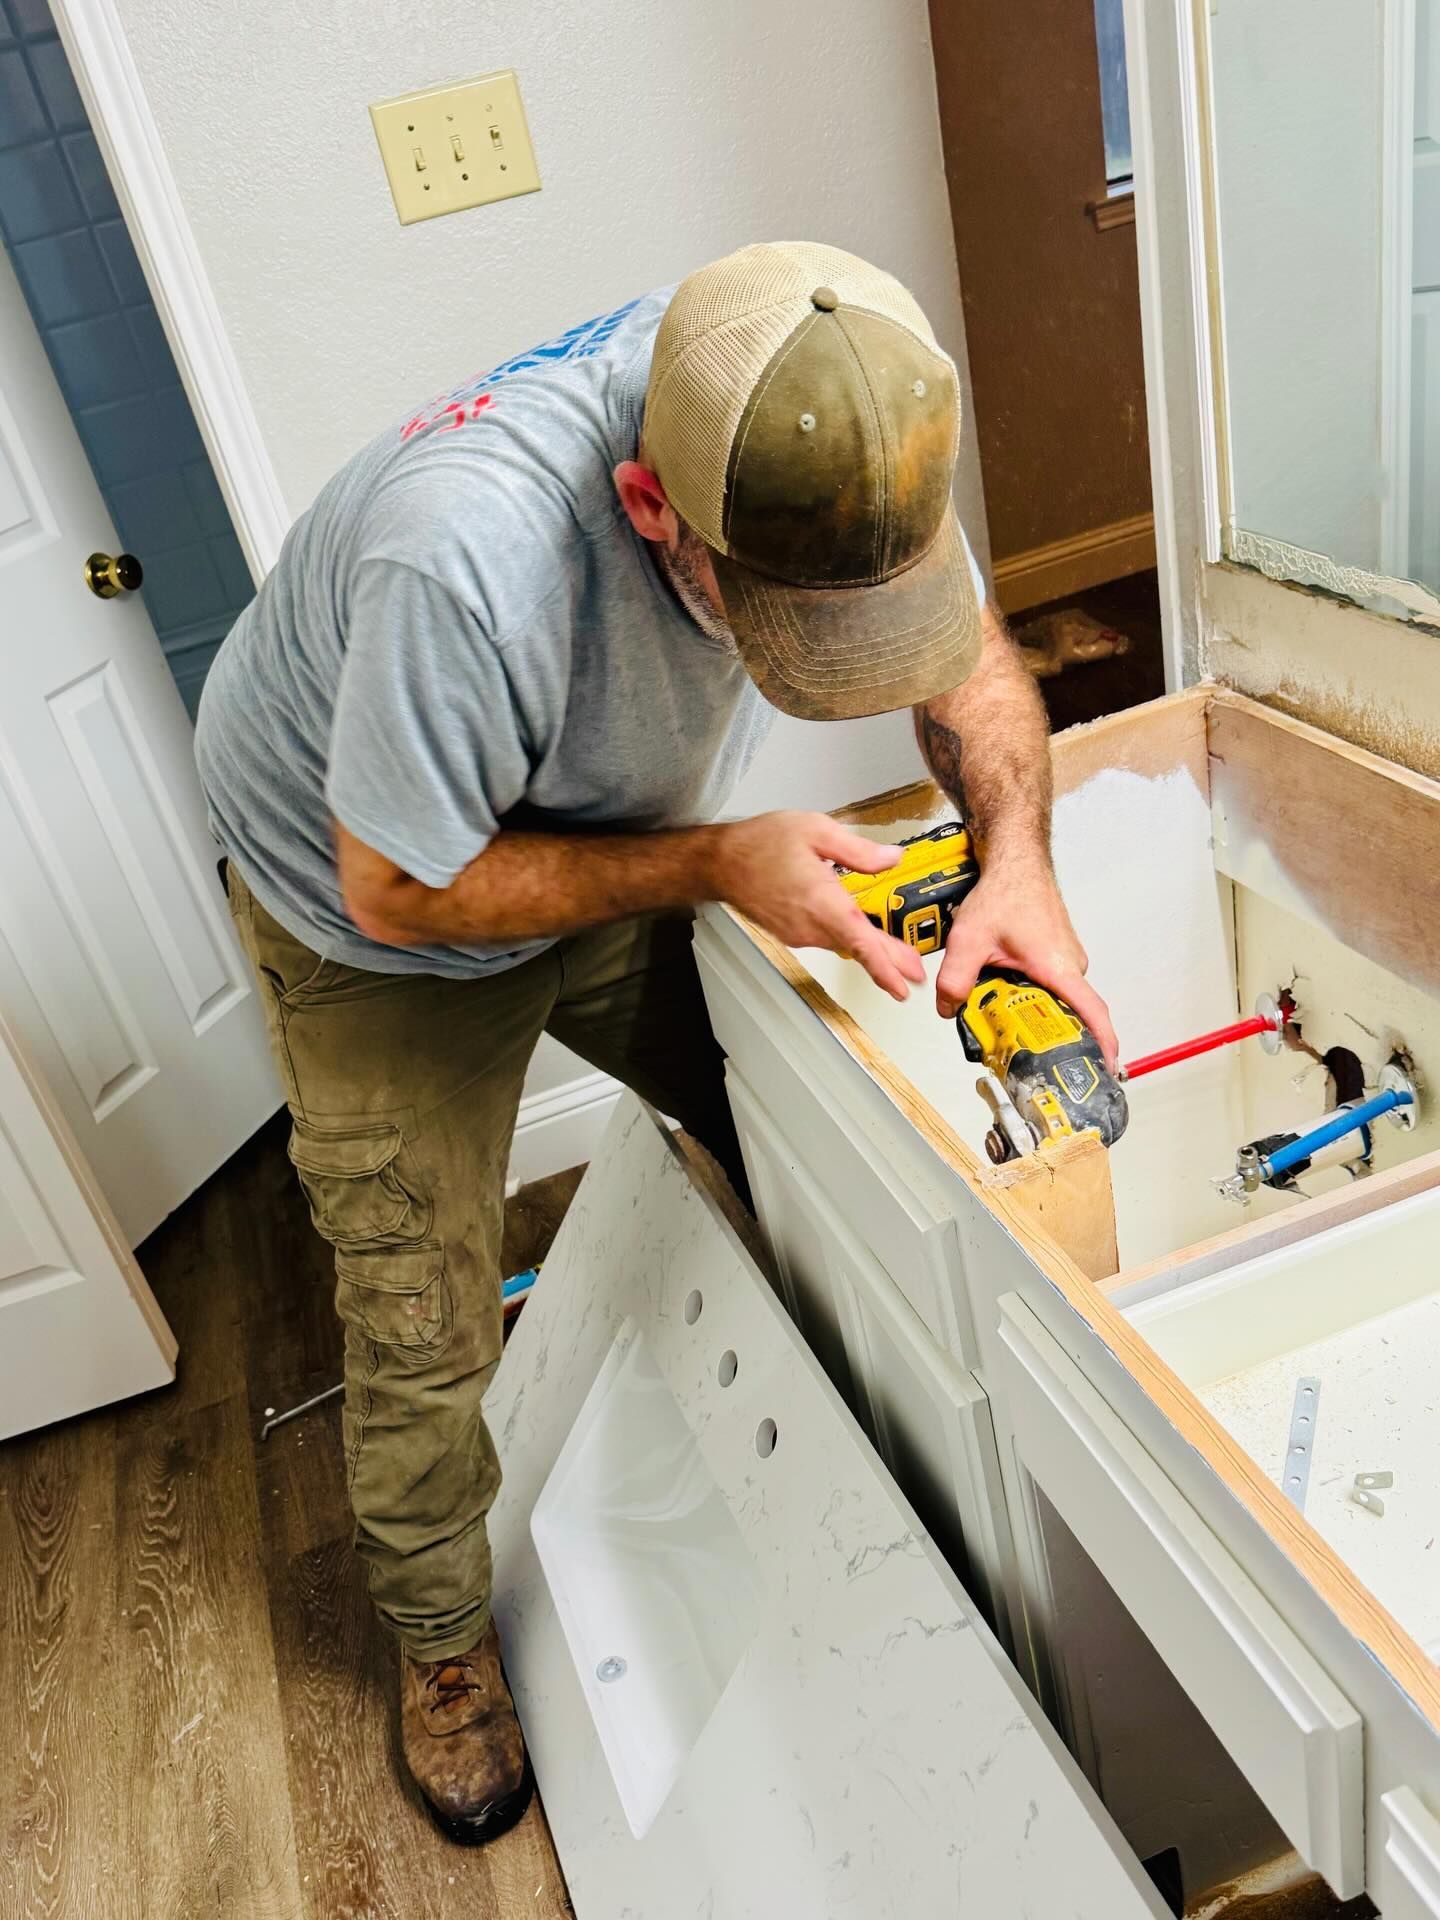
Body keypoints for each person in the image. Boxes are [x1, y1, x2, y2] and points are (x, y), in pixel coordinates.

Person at [196, 240, 1115, 1845]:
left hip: (597, 826)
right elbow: (401, 885)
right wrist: (708, 860)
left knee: (786, 1109)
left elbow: (970, 659)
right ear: (647, 510)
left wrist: (1019, 858)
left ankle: (835, 1416)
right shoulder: (461, 561)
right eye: (781, 627)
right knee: (422, 1311)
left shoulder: (839, 401)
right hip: (372, 913)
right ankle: (439, 1645)